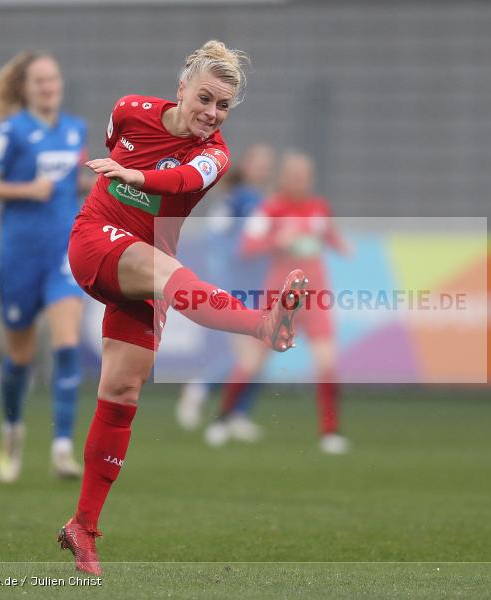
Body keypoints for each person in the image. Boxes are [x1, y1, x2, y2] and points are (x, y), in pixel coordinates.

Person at [56, 41, 307, 576]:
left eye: (223, 107)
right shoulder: (129, 109)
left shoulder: (215, 154)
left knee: (122, 391)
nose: (212, 114)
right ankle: (264, 325)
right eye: (205, 99)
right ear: (182, 89)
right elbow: (116, 143)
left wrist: (135, 177)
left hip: (147, 262)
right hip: (97, 240)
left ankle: (83, 527)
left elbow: (180, 181)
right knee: (172, 278)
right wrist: (121, 179)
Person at [0, 51, 91, 484]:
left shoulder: (76, 130)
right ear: (24, 88)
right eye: (39, 80)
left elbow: (70, 181)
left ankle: (62, 448)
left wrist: (103, 179)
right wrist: (26, 189)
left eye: (53, 79)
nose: (48, 87)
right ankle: (12, 430)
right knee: (19, 359)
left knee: (66, 343)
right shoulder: (9, 132)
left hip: (62, 254)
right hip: (19, 258)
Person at [208, 152, 351, 455]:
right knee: (253, 361)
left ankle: (330, 432)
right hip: (280, 298)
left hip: (315, 297)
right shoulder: (270, 210)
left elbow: (332, 238)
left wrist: (340, 245)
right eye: (295, 176)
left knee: (326, 362)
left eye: (305, 176)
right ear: (284, 178)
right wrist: (279, 241)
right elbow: (247, 247)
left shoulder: (318, 208)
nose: (301, 181)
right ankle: (222, 420)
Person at [175, 144, 276, 442]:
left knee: (260, 354)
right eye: (259, 162)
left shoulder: (244, 198)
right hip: (239, 284)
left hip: (254, 283)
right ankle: (202, 389)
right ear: (246, 166)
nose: (264, 168)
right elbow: (233, 243)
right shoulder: (246, 200)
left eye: (267, 163)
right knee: (249, 356)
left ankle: (237, 414)